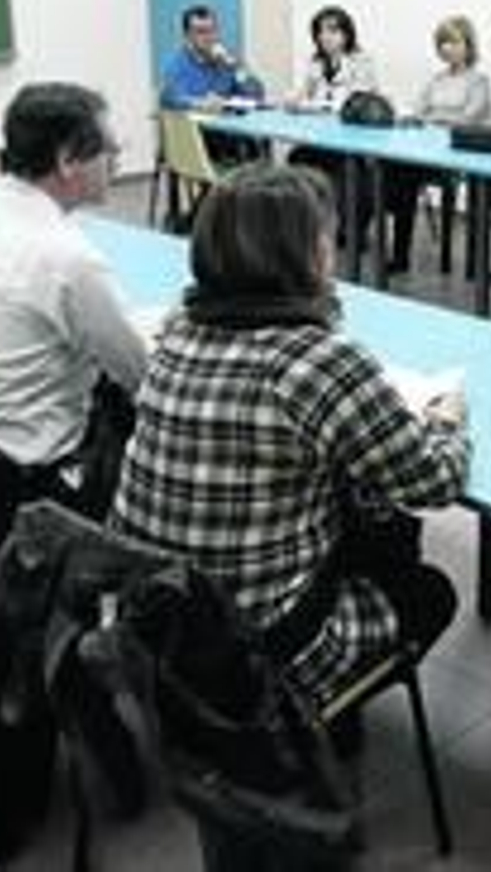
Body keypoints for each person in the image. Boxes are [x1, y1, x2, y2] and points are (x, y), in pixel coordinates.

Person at [108, 166, 468, 715]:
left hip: (159, 624)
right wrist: (447, 421)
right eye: (325, 237)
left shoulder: (178, 330)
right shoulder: (316, 360)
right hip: (257, 649)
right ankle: (306, 723)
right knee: (427, 588)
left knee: (356, 505)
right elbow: (434, 483)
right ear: (303, 254)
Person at [0, 82, 146, 517]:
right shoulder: (67, 256)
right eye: (110, 148)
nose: (118, 160)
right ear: (68, 159)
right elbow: (141, 376)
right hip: (26, 470)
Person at [384, 14, 491, 274]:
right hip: (427, 154)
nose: (447, 48)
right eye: (443, 42)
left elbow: (469, 119)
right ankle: (400, 256)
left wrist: (433, 117)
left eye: (454, 42)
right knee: (399, 171)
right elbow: (417, 111)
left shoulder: (479, 81)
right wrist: (426, 117)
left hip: (457, 158)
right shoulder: (436, 80)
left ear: (468, 45)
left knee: (404, 176)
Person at [285, 5, 380, 249]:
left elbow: (358, 100)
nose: (326, 36)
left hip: (353, 140)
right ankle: (310, 226)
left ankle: (352, 230)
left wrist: (322, 104)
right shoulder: (316, 62)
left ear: (347, 34)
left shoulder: (361, 61)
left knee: (348, 170)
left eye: (333, 30)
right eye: (321, 31)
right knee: (296, 158)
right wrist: (295, 99)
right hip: (322, 137)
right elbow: (303, 93)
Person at [159, 3, 266, 163]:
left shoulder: (225, 60)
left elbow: (257, 94)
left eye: (212, 31)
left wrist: (237, 69)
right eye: (201, 32)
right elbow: (168, 97)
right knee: (243, 147)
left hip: (228, 129)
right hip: (198, 137)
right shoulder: (177, 64)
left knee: (259, 143)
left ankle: (252, 184)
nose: (209, 37)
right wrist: (199, 103)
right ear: (187, 35)